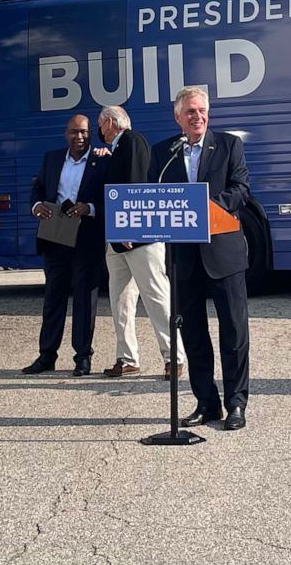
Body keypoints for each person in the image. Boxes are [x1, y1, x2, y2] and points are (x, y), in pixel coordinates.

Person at [148, 86, 251, 431]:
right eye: (190, 112)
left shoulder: (228, 145)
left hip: (223, 253)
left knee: (234, 332)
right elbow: (155, 195)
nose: (198, 117)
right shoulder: (164, 152)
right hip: (183, 258)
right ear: (177, 117)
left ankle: (236, 403)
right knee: (193, 334)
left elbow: (241, 189)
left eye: (202, 110)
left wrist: (208, 207)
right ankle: (207, 403)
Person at [97, 105, 184, 380]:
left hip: (138, 239)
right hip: (119, 240)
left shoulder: (132, 141)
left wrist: (128, 226)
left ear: (110, 122)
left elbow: (135, 186)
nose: (100, 131)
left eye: (100, 125)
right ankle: (127, 358)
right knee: (120, 300)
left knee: (156, 296)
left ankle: (175, 357)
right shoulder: (119, 149)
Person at [23, 114, 107, 376]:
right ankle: (47, 356)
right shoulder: (52, 158)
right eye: (74, 132)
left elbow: (111, 196)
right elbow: (38, 188)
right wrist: (36, 206)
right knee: (53, 297)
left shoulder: (102, 160)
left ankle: (83, 358)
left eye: (84, 132)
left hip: (86, 236)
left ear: (90, 132)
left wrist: (90, 208)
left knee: (84, 298)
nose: (79, 137)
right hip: (55, 234)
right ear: (66, 133)